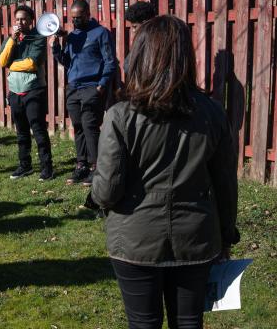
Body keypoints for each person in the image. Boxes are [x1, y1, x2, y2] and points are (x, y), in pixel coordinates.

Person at [91, 16, 239, 329]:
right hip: (196, 237)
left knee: (144, 324)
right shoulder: (212, 112)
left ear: (141, 55)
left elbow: (106, 191)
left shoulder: (120, 115)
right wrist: (226, 233)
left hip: (135, 237)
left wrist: (96, 194)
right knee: (188, 323)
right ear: (186, 57)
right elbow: (225, 184)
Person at [52, 0, 116, 186]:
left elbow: (110, 61)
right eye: (73, 18)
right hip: (74, 88)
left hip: (92, 86)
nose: (75, 21)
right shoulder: (72, 36)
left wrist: (101, 85)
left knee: (90, 126)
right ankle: (81, 166)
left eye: (79, 18)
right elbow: (67, 62)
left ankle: (97, 167)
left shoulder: (101, 33)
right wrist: (56, 47)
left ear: (88, 14)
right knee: (78, 126)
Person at [0, 4, 53, 181]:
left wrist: (11, 66)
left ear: (31, 21)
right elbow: (2, 60)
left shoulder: (38, 38)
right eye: (17, 19)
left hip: (33, 90)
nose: (20, 22)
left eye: (23, 19)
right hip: (15, 92)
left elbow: (31, 63)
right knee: (21, 132)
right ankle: (25, 165)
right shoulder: (11, 39)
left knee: (38, 130)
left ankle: (47, 167)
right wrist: (13, 39)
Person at [123, 1, 156, 74]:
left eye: (135, 27)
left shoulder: (148, 40)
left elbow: (128, 67)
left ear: (145, 23)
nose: (134, 31)